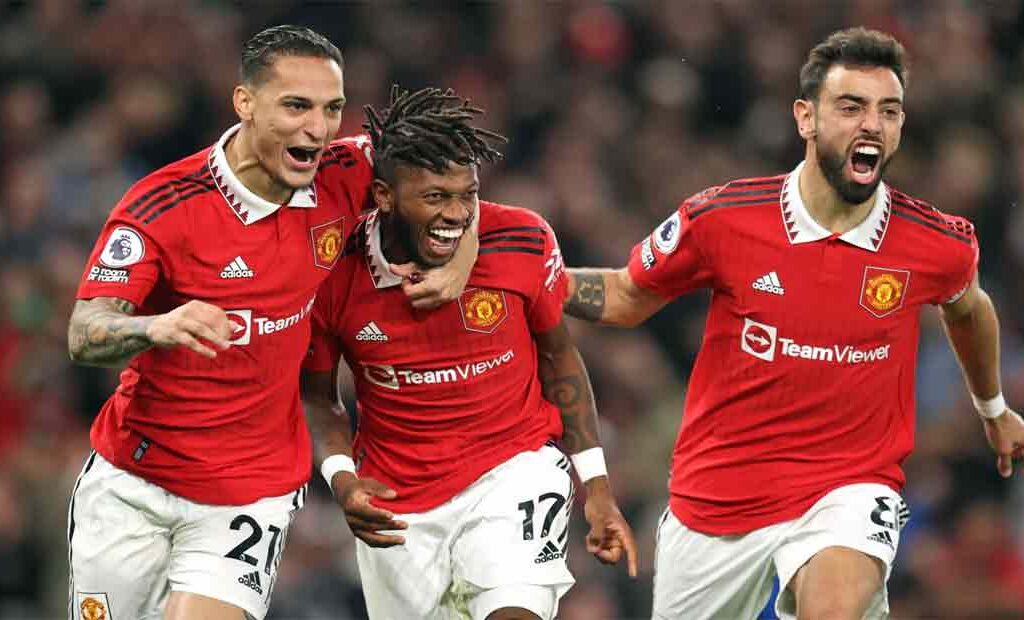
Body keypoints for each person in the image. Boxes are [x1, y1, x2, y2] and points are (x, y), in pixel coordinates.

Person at [563, 27, 1024, 620]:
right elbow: (627, 296)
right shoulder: (723, 220)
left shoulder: (935, 243)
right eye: (851, 107)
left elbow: (970, 308)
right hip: (717, 500)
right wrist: (532, 279)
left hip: (850, 490)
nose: (872, 125)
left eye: (888, 111)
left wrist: (992, 407)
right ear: (806, 118)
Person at [66, 26, 475, 620]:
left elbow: (459, 179)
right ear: (245, 103)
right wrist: (154, 327)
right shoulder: (163, 206)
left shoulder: (346, 170)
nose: (319, 128)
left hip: (251, 490)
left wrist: (460, 265)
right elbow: (85, 331)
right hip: (135, 482)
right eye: (297, 106)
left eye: (332, 108)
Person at [301, 85, 638, 620]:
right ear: (384, 196)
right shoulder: (334, 272)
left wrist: (595, 487)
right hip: (398, 498)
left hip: (514, 469)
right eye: (436, 197)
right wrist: (342, 479)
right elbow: (320, 399)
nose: (456, 214)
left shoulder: (522, 239)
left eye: (467, 195)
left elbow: (560, 359)